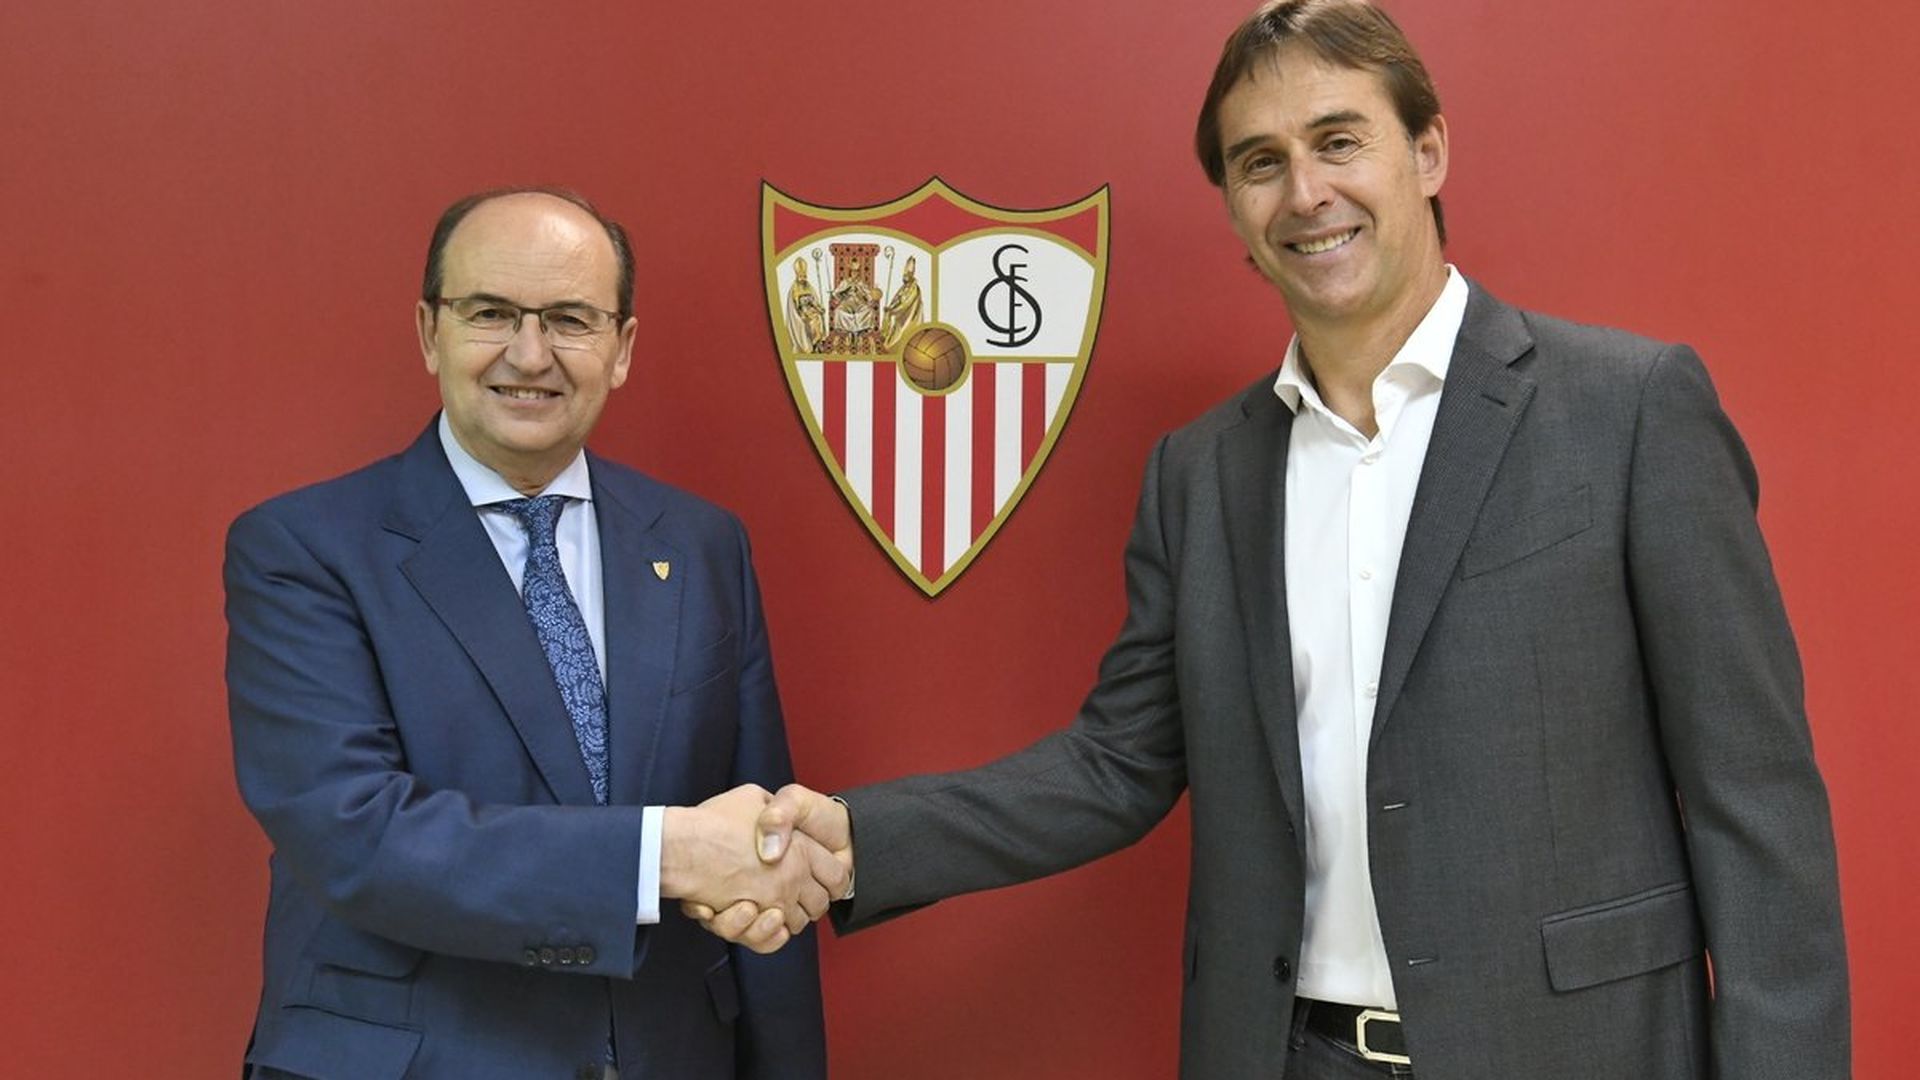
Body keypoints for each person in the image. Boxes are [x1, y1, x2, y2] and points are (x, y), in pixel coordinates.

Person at [694, 3, 1850, 1077]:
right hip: (1283, 1053)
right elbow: (1118, 762)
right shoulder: (1200, 474)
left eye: (1338, 141)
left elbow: (1756, 801)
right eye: (1261, 162)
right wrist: (850, 840)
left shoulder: (1630, 408)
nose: (1306, 192)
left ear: (1428, 153)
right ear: (1237, 211)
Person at [225, 187, 847, 1080]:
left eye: (569, 318)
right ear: (429, 332)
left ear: (622, 348)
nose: (529, 354)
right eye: (490, 314)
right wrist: (665, 853)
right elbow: (354, 835)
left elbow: (762, 844)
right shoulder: (302, 549)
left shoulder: (702, 544)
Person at [880, 255, 924, 350]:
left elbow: (906, 303)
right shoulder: (905, 287)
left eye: (906, 275)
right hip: (900, 315)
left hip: (907, 316)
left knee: (900, 335)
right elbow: (897, 299)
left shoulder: (913, 288)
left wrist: (893, 310)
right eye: (904, 275)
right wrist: (890, 307)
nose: (904, 277)